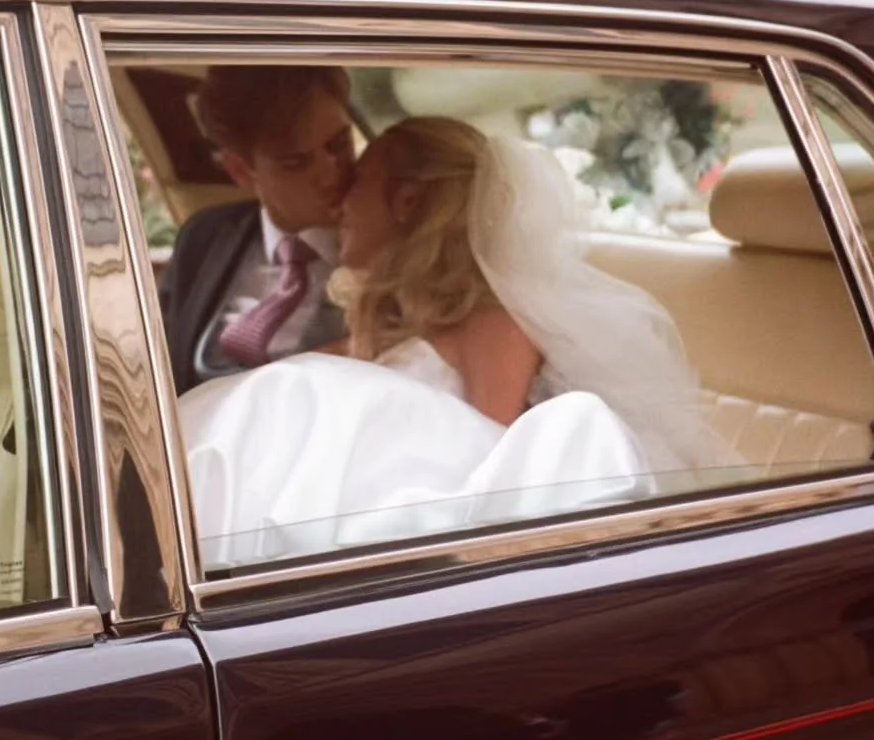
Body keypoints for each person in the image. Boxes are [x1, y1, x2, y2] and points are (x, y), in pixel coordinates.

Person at [179, 116, 740, 566]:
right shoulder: (395, 322)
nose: (338, 204)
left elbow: (486, 469)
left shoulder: (494, 323)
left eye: (359, 185)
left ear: (404, 202)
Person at [159, 65, 355, 392]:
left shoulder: (396, 247)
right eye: (295, 163)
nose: (329, 174)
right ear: (241, 172)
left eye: (338, 144)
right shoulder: (204, 238)